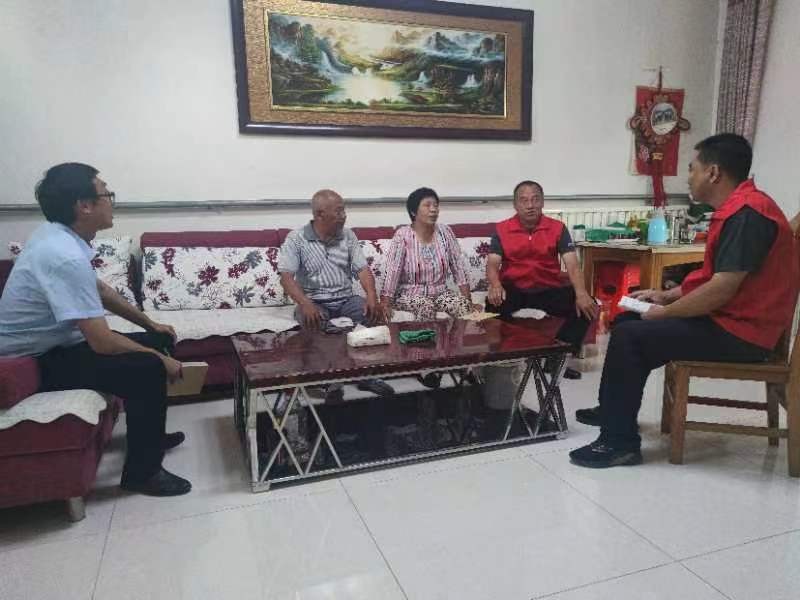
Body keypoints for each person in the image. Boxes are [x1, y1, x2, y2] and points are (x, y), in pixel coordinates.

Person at [570, 133, 800, 468]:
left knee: (631, 336)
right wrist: (665, 296)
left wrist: (665, 313)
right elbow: (712, 277)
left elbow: (721, 289)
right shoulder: (739, 208)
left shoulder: (747, 215)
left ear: (713, 172)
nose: (688, 177)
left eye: (692, 168)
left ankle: (619, 444)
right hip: (729, 320)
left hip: (743, 335)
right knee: (628, 320)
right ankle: (613, 413)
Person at [0, 163, 192, 496]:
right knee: (148, 366)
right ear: (84, 205)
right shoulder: (62, 255)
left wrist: (151, 324)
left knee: (158, 339)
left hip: (58, 345)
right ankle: (143, 473)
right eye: (107, 194)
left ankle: (150, 434)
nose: (112, 201)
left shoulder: (58, 236)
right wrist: (160, 360)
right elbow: (102, 342)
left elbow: (101, 290)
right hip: (34, 361)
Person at [278, 189, 394, 401]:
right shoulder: (297, 239)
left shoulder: (348, 236)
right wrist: (305, 303)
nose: (344, 216)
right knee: (314, 321)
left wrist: (371, 296)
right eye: (338, 212)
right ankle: (327, 379)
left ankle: (366, 375)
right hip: (314, 301)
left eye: (344, 211)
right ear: (320, 214)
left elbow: (362, 270)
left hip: (345, 299)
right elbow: (286, 278)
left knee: (370, 314)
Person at [485, 180, 598, 379]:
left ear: (543, 202)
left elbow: (572, 264)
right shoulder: (502, 229)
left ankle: (557, 360)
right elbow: (492, 263)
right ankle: (504, 361)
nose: (530, 205)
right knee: (492, 304)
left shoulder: (557, 228)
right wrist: (495, 284)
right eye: (524, 200)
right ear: (515, 205)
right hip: (515, 288)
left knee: (587, 305)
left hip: (548, 288)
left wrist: (581, 293)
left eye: (535, 199)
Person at [380, 187, 477, 321]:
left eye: (435, 205)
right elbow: (392, 271)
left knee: (462, 305)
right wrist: (385, 303)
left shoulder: (445, 232)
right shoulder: (402, 235)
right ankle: (425, 335)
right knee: (426, 306)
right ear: (413, 211)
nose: (433, 209)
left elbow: (458, 268)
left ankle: (455, 336)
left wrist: (468, 300)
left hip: (440, 293)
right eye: (427, 205)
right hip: (409, 294)